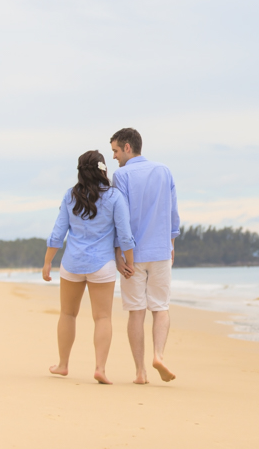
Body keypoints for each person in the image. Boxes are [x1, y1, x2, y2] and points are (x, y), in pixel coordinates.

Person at [42, 150, 135, 385]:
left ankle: (63, 364)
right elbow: (125, 235)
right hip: (101, 265)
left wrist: (47, 261)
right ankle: (100, 368)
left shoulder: (70, 196)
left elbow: (58, 232)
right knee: (102, 317)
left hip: (72, 263)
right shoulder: (114, 197)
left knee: (67, 314)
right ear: (103, 170)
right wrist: (130, 262)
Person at [110, 128, 180, 384]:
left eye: (116, 150)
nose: (115, 157)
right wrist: (171, 243)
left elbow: (121, 217)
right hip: (161, 251)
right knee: (161, 308)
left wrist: (118, 253)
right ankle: (159, 354)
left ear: (128, 147)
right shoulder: (164, 170)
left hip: (133, 254)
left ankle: (140, 371)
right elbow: (173, 211)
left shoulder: (122, 175)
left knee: (136, 312)